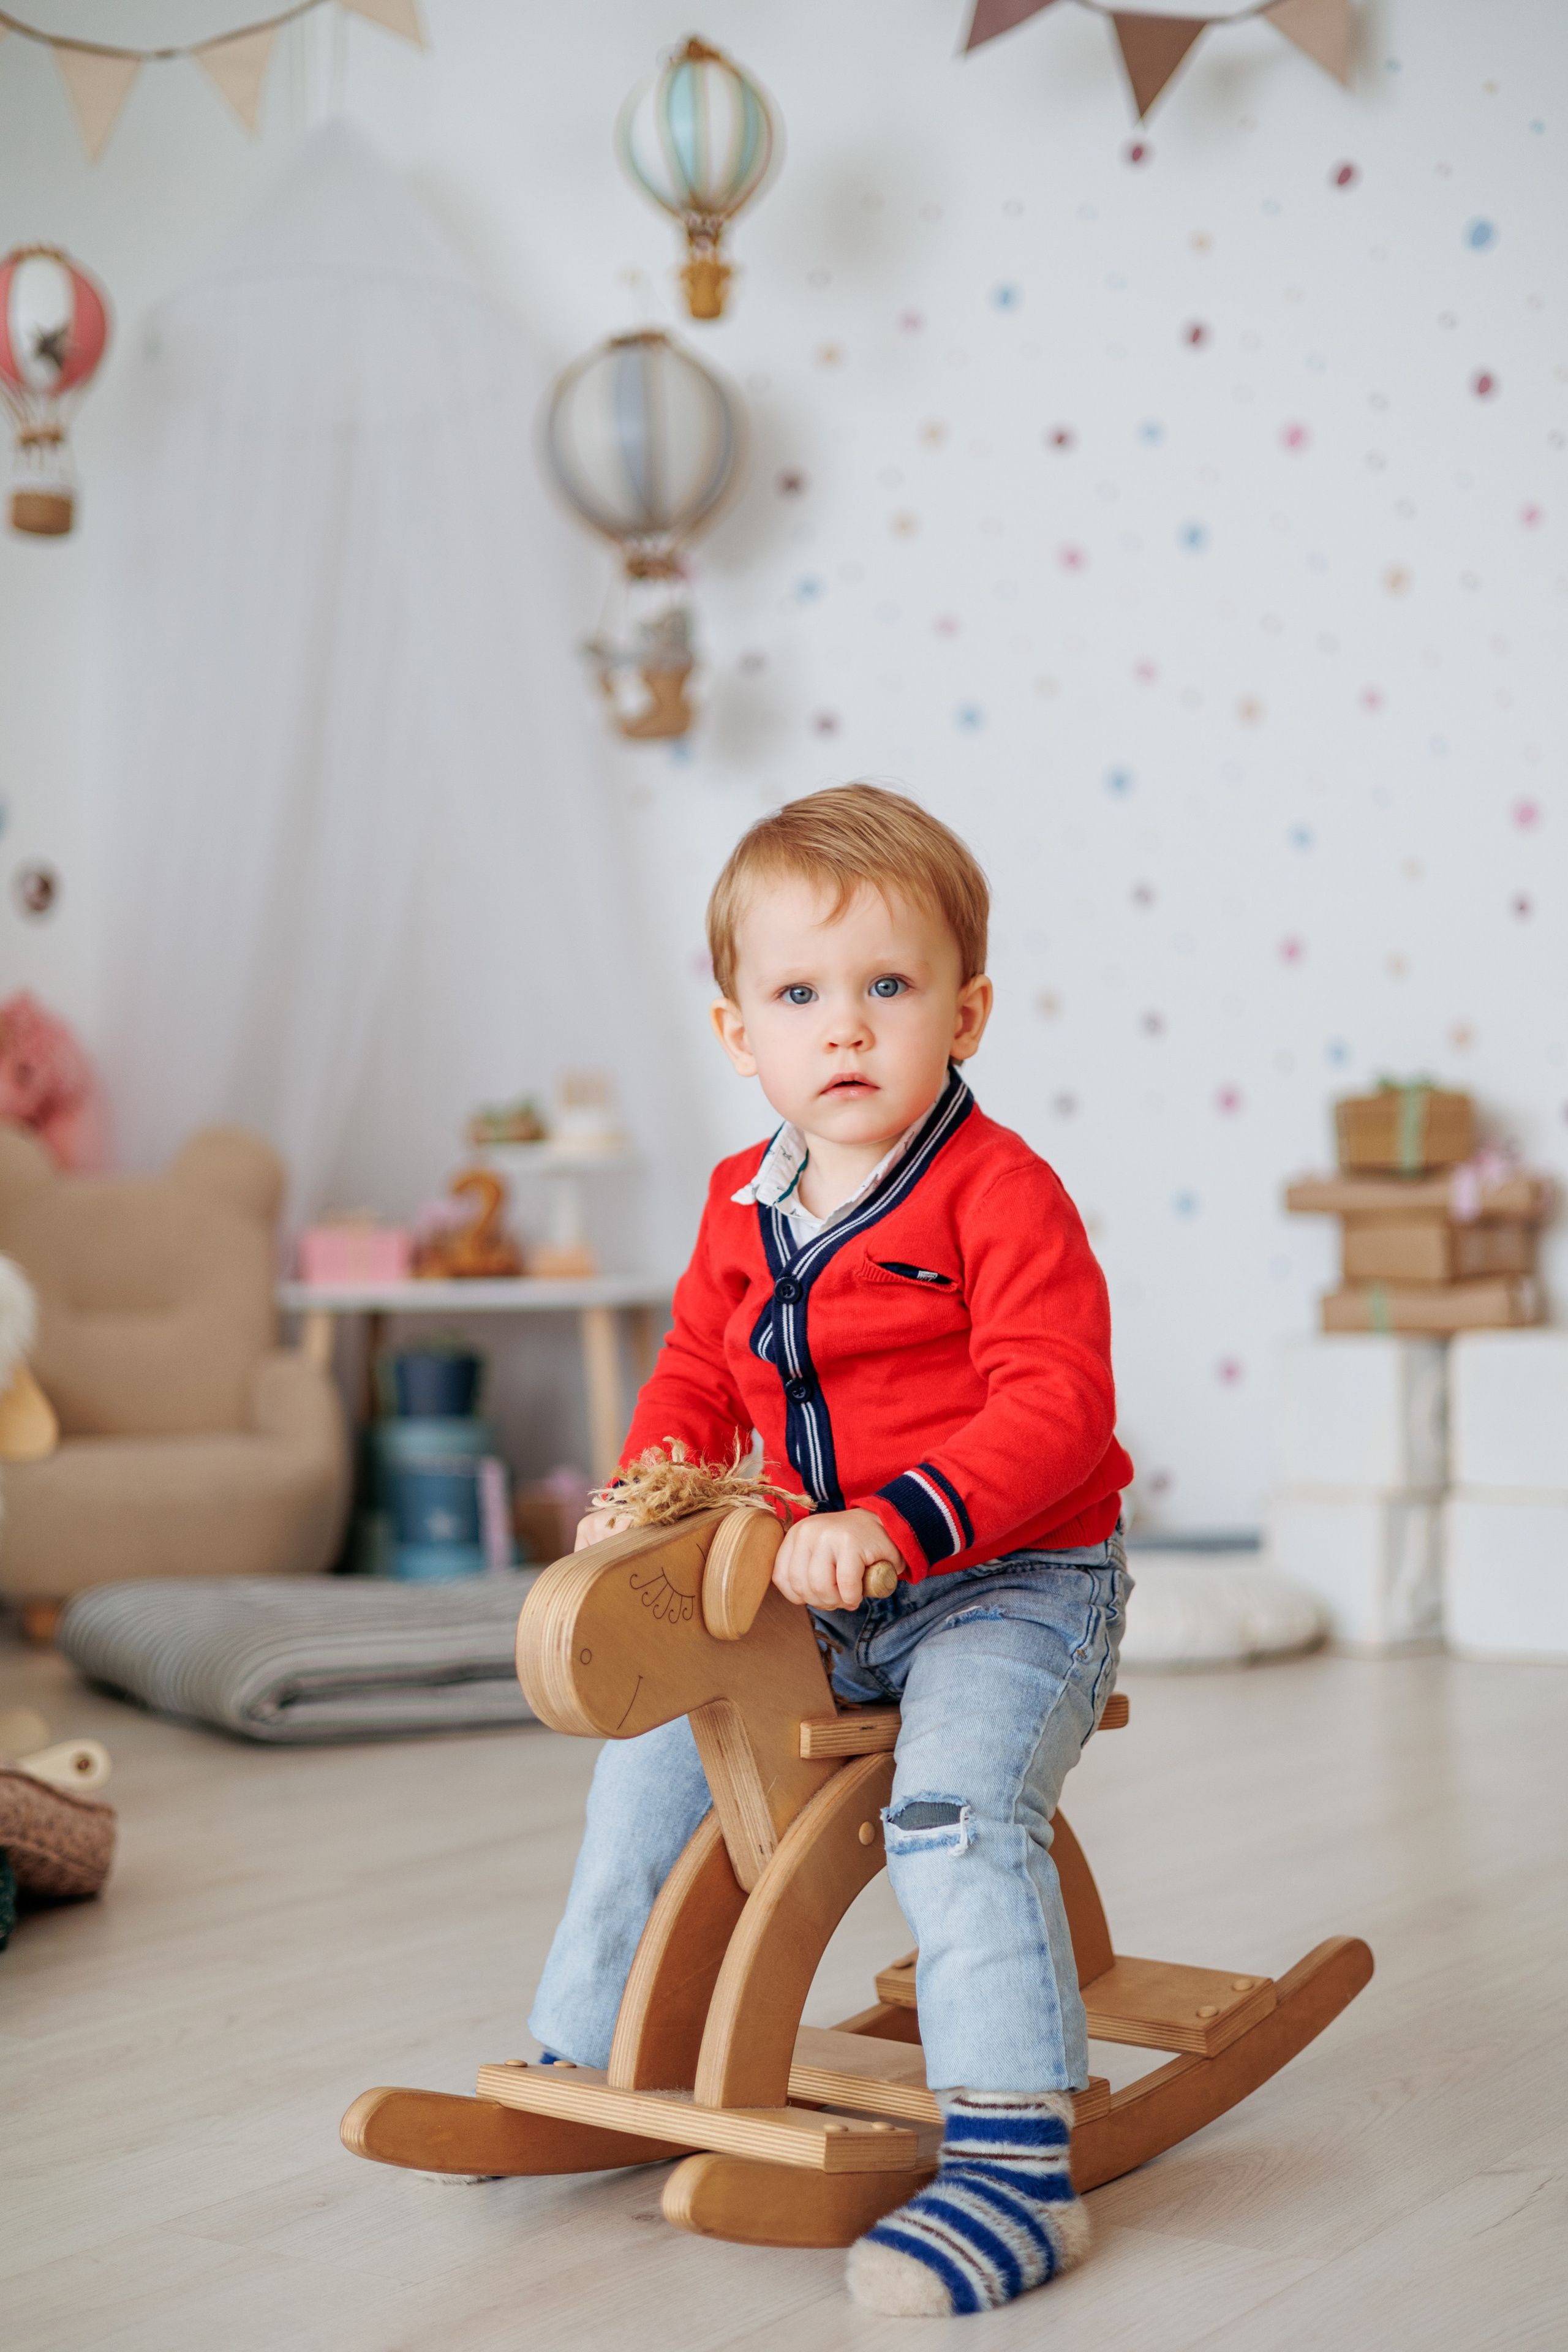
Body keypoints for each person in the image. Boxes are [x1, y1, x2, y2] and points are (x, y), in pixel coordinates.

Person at [529, 782, 1133, 2318]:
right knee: (648, 1765)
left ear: (964, 1013)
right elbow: (694, 1366)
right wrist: (646, 1489)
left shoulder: (1001, 1194)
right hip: (810, 1588)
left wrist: (897, 1519)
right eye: (799, 995)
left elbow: (1056, 1405)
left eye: (888, 987)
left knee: (949, 1813)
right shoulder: (742, 1201)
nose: (845, 1028)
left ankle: (1014, 2166)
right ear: (739, 1034)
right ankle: (587, 2057)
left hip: (1007, 1584)